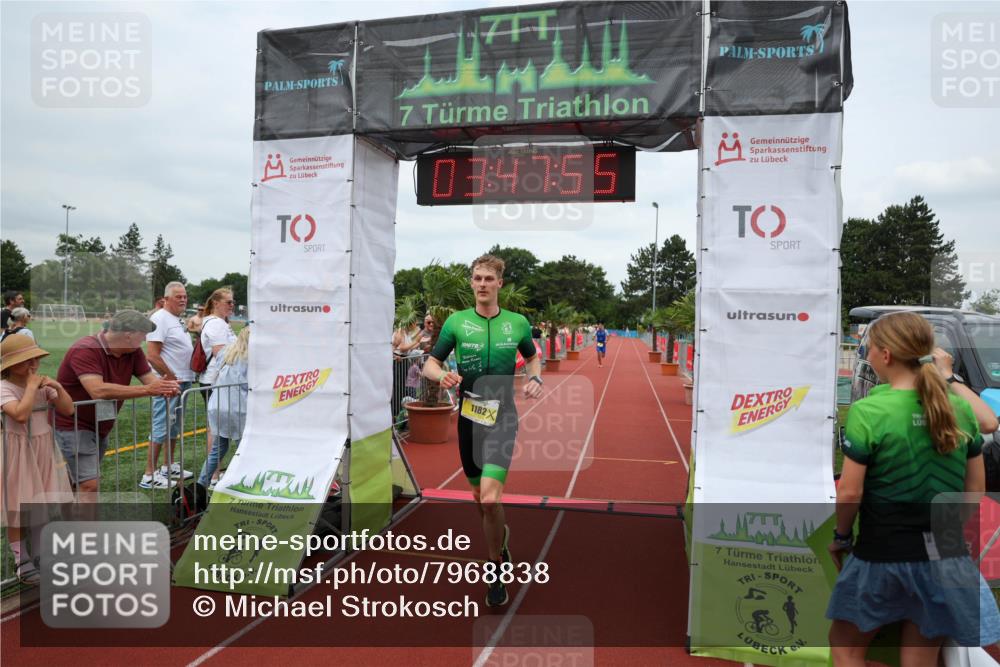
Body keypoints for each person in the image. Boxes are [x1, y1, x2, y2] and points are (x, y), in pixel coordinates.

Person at [827, 312, 1000, 665]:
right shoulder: (959, 409)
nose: (867, 354)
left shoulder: (869, 411)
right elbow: (975, 489)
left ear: (886, 355)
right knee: (919, 659)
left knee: (845, 647)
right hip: (946, 552)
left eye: (870, 348)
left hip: (883, 549)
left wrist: (842, 536)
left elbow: (849, 493)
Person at [422, 254, 542, 608]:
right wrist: (440, 375)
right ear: (471, 282)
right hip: (470, 420)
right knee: (480, 500)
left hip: (503, 417)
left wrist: (535, 376)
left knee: (491, 498)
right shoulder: (457, 323)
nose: (482, 284)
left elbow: (532, 357)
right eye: (477, 278)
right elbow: (431, 362)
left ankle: (495, 569)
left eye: (489, 278)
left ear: (500, 283)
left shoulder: (517, 323)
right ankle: (499, 542)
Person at [54, 310, 180, 500]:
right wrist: (150, 390)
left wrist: (165, 387)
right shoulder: (86, 348)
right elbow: (97, 390)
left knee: (78, 481)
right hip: (72, 425)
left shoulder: (133, 351)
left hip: (100, 425)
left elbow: (150, 380)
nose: (145, 340)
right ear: (128, 335)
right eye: (143, 335)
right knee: (89, 484)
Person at [1, 335, 74, 584]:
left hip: (42, 448)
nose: (33, 365)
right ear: (10, 365)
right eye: (25, 361)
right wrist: (32, 387)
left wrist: (59, 388)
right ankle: (21, 560)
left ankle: (42, 555)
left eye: (35, 359)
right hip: (17, 451)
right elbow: (20, 415)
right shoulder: (4, 388)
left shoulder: (44, 387)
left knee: (40, 503)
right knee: (17, 505)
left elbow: (68, 409)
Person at [140, 282, 195, 489]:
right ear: (166, 299)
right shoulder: (160, 318)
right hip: (169, 382)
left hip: (181, 379)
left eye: (185, 296)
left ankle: (167, 465)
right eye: (178, 296)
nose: (183, 299)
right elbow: (152, 355)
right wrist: (170, 377)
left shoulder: (175, 319)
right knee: (161, 425)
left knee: (174, 426)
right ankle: (148, 474)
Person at [199, 326, 249, 490]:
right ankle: (243, 483)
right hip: (238, 408)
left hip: (217, 405)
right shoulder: (250, 358)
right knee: (244, 448)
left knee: (218, 448)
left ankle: (202, 484)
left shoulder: (226, 352)